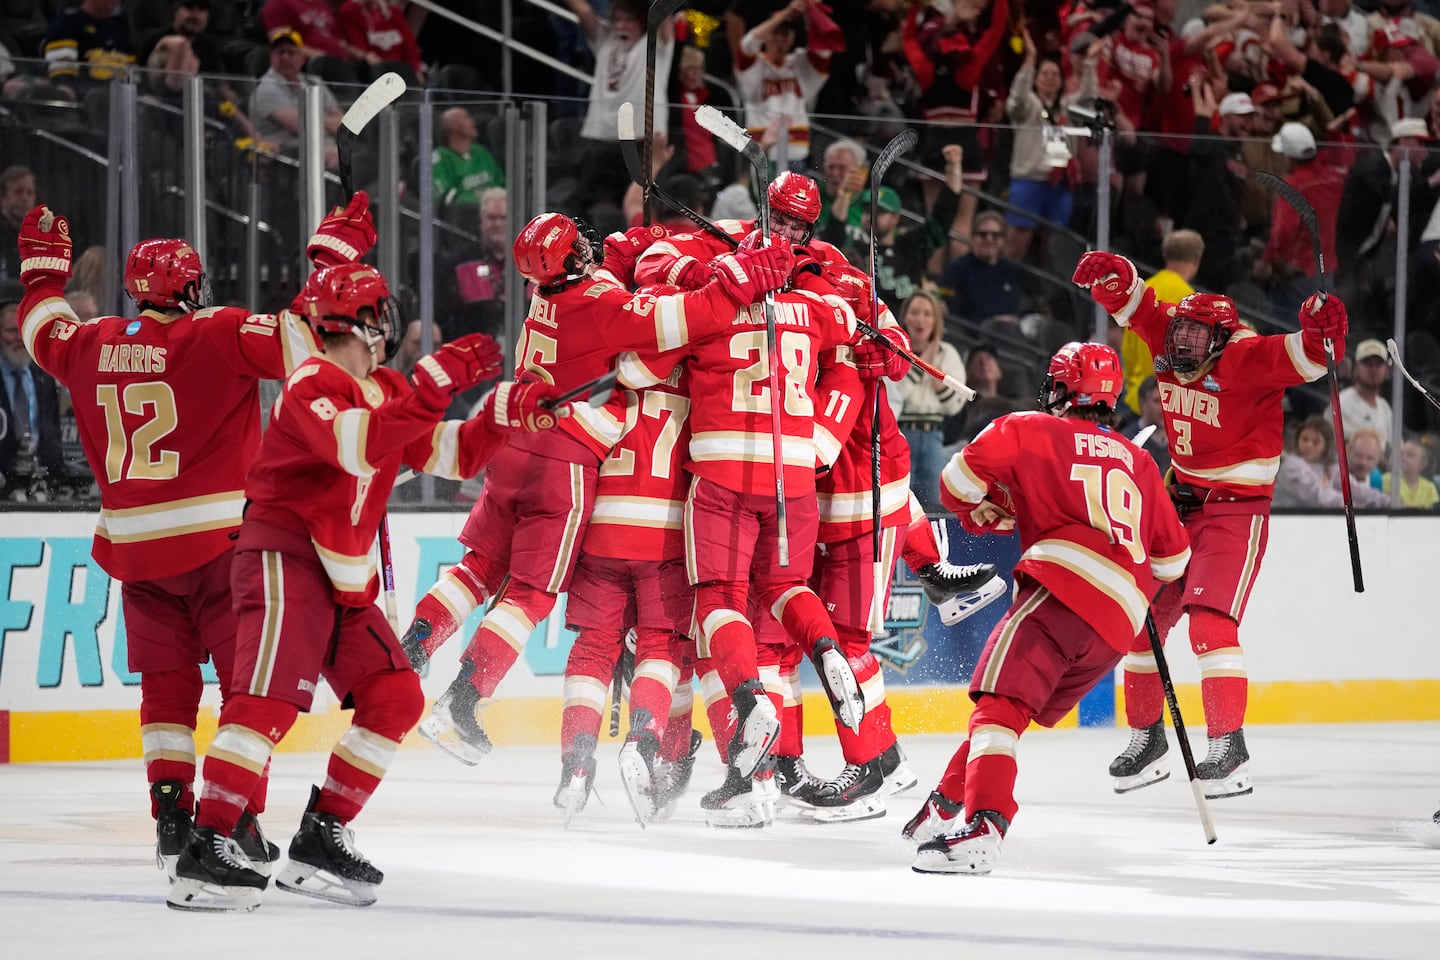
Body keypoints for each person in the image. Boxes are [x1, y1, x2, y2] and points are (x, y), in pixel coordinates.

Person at [168, 262, 568, 913]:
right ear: (363, 321)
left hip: (341, 577)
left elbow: (454, 455)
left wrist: (504, 411)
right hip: (286, 558)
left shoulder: (385, 387)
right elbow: (355, 445)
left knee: (394, 696)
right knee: (266, 704)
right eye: (380, 312)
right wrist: (432, 387)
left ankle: (320, 834)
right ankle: (205, 845)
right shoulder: (310, 382)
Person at [11, 193, 379, 881]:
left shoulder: (91, 343)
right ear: (189, 288)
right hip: (221, 548)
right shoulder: (217, 331)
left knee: (166, 691)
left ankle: (173, 813)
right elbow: (311, 335)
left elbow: (41, 329)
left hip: (137, 556)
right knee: (248, 690)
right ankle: (235, 817)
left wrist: (42, 273)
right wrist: (335, 256)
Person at [401, 213, 794, 766]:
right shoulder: (603, 306)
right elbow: (694, 316)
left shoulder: (544, 298)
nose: (587, 245)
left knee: (479, 567)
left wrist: (629, 247)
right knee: (529, 594)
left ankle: (416, 643)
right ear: (571, 258)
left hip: (511, 444)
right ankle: (461, 701)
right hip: (561, 460)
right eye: (578, 243)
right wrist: (745, 277)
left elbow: (606, 283)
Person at [904, 341, 1190, 875]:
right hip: (1116, 627)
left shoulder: (1027, 427)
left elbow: (953, 486)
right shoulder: (1141, 461)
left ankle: (984, 826)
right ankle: (945, 804)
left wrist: (1001, 500)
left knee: (998, 705)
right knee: (1010, 711)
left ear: (1059, 389)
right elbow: (1173, 563)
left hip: (1062, 588)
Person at [1074, 250, 1346, 799]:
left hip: (1235, 511)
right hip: (1180, 503)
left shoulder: (1248, 356)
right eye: (1179, 335)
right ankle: (1148, 739)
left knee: (1210, 625)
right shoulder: (1173, 336)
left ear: (1222, 339)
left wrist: (1324, 331)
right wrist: (1114, 279)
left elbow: (1312, 356)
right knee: (1143, 622)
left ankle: (1229, 747)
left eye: (1195, 339)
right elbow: (1139, 305)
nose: (1180, 347)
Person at [893, 289, 967, 510]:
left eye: (927, 314)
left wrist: (936, 375)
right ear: (905, 317)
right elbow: (895, 396)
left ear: (935, 321)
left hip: (933, 437)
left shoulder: (948, 353)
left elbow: (954, 405)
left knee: (935, 504)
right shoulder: (894, 352)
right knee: (898, 502)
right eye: (915, 312)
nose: (920, 319)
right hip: (900, 435)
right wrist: (924, 363)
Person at [1121, 229, 1203, 416]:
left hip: (1138, 397)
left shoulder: (1142, 290)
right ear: (1196, 260)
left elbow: (1128, 349)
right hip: (1171, 402)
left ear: (1165, 255)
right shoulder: (1190, 299)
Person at [0, 290, 67, 499]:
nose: (19, 338)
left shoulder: (44, 373)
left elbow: (51, 431)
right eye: (11, 331)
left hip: (40, 485)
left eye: (23, 331)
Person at [251, 29, 345, 169]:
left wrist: (313, 120)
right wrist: (327, 122)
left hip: (322, 147)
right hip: (285, 154)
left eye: (291, 52)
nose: (285, 57)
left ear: (302, 58)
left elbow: (343, 124)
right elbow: (299, 127)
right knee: (342, 158)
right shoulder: (267, 87)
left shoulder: (314, 82)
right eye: (280, 52)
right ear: (272, 57)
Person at [432, 108, 505, 207]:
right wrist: (481, 198)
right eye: (466, 117)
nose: (472, 121)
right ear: (453, 127)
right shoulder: (440, 157)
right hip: (464, 212)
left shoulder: (480, 151)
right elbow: (445, 198)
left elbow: (500, 183)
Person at [1336, 339, 1394, 453]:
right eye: (1368, 364)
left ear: (1386, 370)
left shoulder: (1385, 408)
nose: (1373, 369)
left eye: (1378, 364)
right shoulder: (1342, 403)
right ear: (1355, 368)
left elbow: (1395, 447)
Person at [1273, 416, 1342, 508]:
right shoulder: (1292, 465)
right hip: (1283, 515)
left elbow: (1351, 488)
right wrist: (1344, 503)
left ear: (1326, 447)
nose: (1308, 445)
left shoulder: (1330, 467)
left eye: (1315, 442)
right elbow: (1313, 495)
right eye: (1304, 439)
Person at [1123, 375, 1170, 475]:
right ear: (1142, 404)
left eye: (1166, 401)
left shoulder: (1179, 440)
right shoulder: (1128, 440)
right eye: (1157, 401)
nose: (1163, 407)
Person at [1383, 439, 1440, 507]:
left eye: (1410, 455)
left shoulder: (1430, 488)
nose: (1403, 457)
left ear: (1423, 464)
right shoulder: (1386, 479)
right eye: (1402, 453)